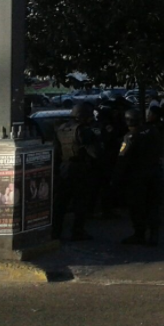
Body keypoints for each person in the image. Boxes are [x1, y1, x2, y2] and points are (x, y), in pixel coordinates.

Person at [115, 108, 163, 246]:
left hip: (138, 177)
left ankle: (139, 234)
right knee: (153, 204)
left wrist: (116, 178)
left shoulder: (131, 137)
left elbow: (122, 158)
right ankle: (154, 234)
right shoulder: (153, 131)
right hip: (154, 173)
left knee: (137, 206)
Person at [55, 102, 103, 241]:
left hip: (64, 168)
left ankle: (56, 231)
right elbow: (95, 153)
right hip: (80, 169)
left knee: (61, 203)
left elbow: (56, 151)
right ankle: (78, 231)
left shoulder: (61, 129)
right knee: (80, 202)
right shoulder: (83, 130)